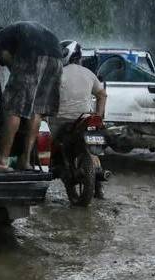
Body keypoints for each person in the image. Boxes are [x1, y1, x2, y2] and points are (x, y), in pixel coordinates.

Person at [0, 21, 63, 171]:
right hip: (57, 58)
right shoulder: (18, 32)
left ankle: (2, 161)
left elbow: (7, 60)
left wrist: (18, 84)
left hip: (33, 56)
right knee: (36, 110)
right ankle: (25, 161)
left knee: (14, 107)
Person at [50, 40, 107, 197]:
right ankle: (100, 187)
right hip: (85, 120)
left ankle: (47, 173)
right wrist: (99, 116)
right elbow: (102, 94)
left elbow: (46, 98)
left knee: (48, 149)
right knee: (93, 149)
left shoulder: (57, 73)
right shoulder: (89, 73)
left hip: (60, 121)